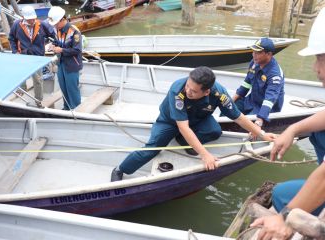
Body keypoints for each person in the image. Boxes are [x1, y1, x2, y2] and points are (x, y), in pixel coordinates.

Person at [111, 66, 276, 182]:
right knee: (153, 148)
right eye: (188, 86)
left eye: (193, 90)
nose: (188, 91)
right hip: (171, 122)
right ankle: (121, 169)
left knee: (215, 131)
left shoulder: (220, 94)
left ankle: (186, 143)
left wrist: (262, 134)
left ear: (207, 92)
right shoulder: (178, 90)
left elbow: (238, 117)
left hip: (198, 119)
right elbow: (183, 126)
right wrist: (205, 155)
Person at [251, 8, 325, 240]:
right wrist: (293, 129)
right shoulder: (255, 66)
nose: (315, 69)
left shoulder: (274, 73)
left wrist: (286, 218)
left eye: (320, 59)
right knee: (283, 192)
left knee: (285, 200)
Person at [232, 37, 284, 128]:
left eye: (258, 53)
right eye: (253, 51)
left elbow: (269, 99)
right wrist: (231, 101)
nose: (254, 55)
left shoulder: (275, 75)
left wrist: (259, 120)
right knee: (229, 109)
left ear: (269, 54)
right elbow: (246, 84)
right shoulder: (254, 63)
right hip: (251, 101)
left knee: (248, 123)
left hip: (265, 108)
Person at [8, 6, 55, 106]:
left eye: (33, 18)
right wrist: (15, 51)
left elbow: (53, 34)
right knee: (20, 74)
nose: (32, 21)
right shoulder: (17, 25)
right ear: (23, 17)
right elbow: (11, 38)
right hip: (23, 55)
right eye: (29, 19)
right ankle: (22, 88)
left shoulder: (42, 24)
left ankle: (38, 100)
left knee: (38, 79)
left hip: (37, 57)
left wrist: (53, 44)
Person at [47, 6, 83, 110]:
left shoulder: (74, 31)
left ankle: (76, 109)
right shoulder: (57, 30)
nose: (55, 26)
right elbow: (57, 41)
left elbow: (77, 50)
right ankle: (66, 107)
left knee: (72, 88)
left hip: (72, 64)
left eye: (56, 23)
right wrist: (52, 45)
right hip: (61, 63)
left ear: (63, 19)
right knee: (63, 87)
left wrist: (61, 50)